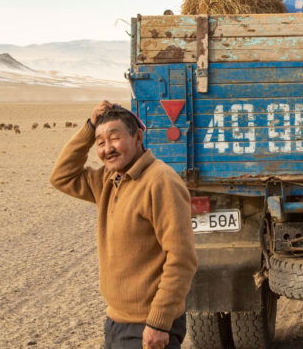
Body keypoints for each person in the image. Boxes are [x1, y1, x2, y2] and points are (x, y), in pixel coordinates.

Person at [50, 100, 197, 349]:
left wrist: (159, 323)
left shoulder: (160, 182)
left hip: (147, 326)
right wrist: (89, 128)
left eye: (115, 138)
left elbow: (181, 258)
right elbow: (62, 176)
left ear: (138, 137)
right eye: (100, 142)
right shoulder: (108, 179)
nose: (107, 149)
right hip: (117, 321)